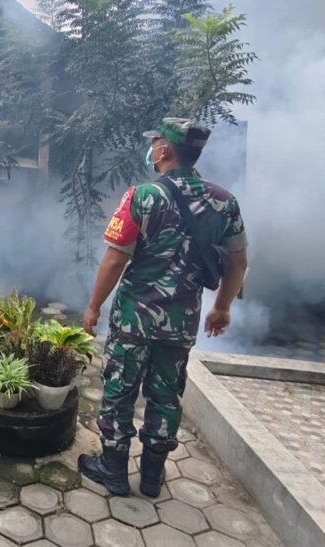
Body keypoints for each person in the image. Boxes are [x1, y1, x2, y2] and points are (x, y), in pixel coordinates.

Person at [79, 118, 248, 497]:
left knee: (120, 390)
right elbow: (238, 261)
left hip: (134, 319)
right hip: (181, 321)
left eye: (155, 142)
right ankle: (153, 476)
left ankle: (113, 469)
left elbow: (114, 261)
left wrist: (93, 307)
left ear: (165, 150)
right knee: (166, 393)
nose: (152, 147)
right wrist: (221, 308)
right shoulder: (224, 201)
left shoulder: (142, 196)